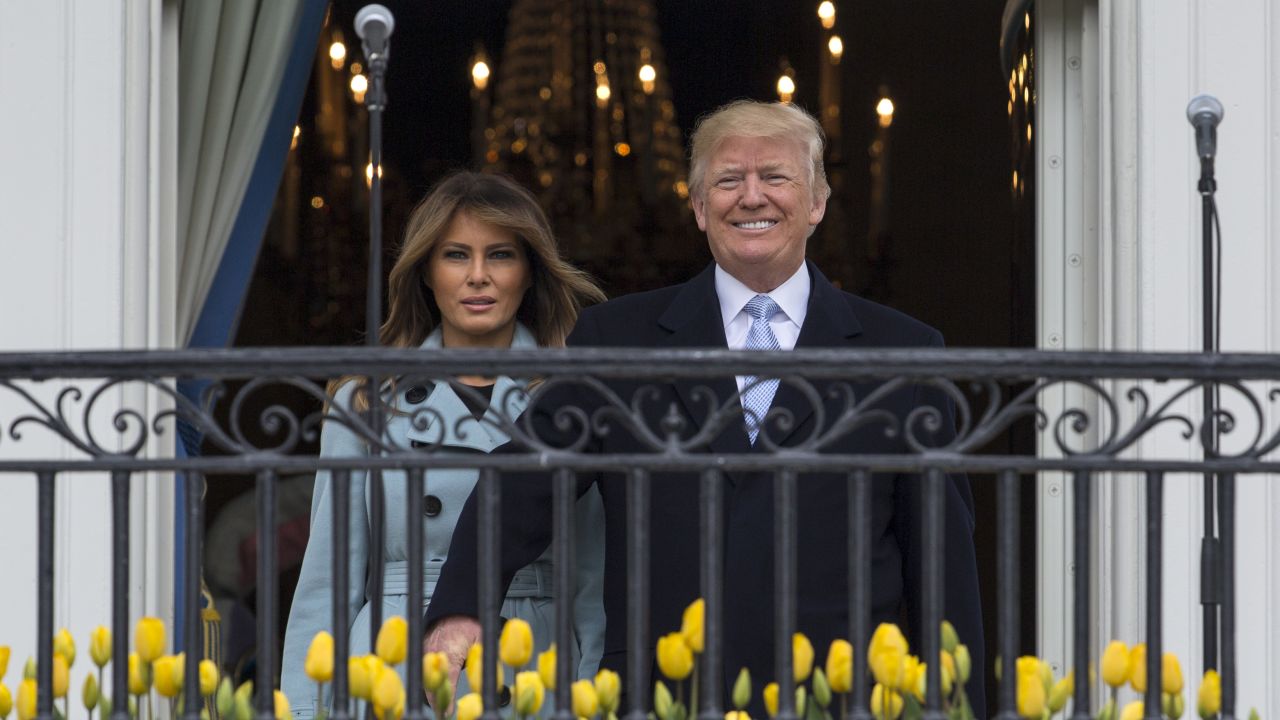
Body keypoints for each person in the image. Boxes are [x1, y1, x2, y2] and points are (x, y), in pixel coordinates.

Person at [424, 101, 985, 716]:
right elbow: (525, 480)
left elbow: (942, 564)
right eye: (727, 180)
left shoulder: (902, 352)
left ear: (818, 202)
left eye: (775, 177)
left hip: (838, 698)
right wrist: (461, 608)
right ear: (697, 207)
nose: (751, 197)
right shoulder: (619, 339)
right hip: (665, 693)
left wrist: (955, 702)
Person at [281, 172, 609, 718]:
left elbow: (594, 578)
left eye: (500, 255)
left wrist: (596, 697)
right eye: (456, 255)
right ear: (426, 274)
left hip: (533, 661)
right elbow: (328, 579)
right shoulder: (365, 401)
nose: (478, 277)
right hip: (394, 661)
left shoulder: (578, 398)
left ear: (530, 273)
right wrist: (302, 709)